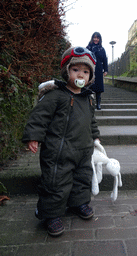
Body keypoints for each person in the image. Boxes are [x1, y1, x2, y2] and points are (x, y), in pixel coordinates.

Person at [22, 47, 100, 237]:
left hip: (83, 150)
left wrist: (95, 137)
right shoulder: (56, 95)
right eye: (76, 70)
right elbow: (39, 117)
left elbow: (91, 121)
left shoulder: (88, 98)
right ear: (66, 71)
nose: (80, 74)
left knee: (82, 179)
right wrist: (34, 136)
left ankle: (78, 203)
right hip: (58, 152)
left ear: (90, 77)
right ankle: (51, 214)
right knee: (55, 182)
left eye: (86, 71)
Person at [87, 32, 108, 110]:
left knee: (98, 88)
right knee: (89, 87)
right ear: (92, 38)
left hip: (99, 69)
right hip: (90, 69)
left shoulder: (102, 49)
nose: (96, 39)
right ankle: (89, 103)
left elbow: (105, 59)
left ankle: (98, 103)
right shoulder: (88, 47)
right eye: (94, 37)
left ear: (99, 39)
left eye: (97, 38)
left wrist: (105, 70)